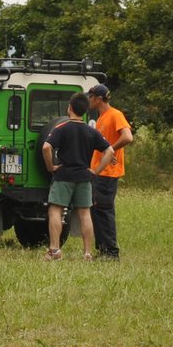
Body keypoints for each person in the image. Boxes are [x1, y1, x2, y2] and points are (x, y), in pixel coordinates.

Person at [43, 92, 115, 261]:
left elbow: (46, 147)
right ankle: (87, 253)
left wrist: (50, 167)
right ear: (84, 110)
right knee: (85, 214)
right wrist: (96, 171)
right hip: (84, 177)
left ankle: (55, 250)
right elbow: (110, 151)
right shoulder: (91, 131)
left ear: (70, 108)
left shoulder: (61, 128)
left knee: (55, 210)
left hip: (63, 176)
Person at [86, 83, 133, 258]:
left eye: (90, 97)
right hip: (99, 172)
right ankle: (103, 249)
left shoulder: (115, 115)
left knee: (104, 211)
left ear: (99, 99)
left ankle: (111, 252)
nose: (88, 100)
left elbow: (128, 136)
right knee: (96, 211)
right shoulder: (100, 118)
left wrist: (111, 149)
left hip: (108, 172)